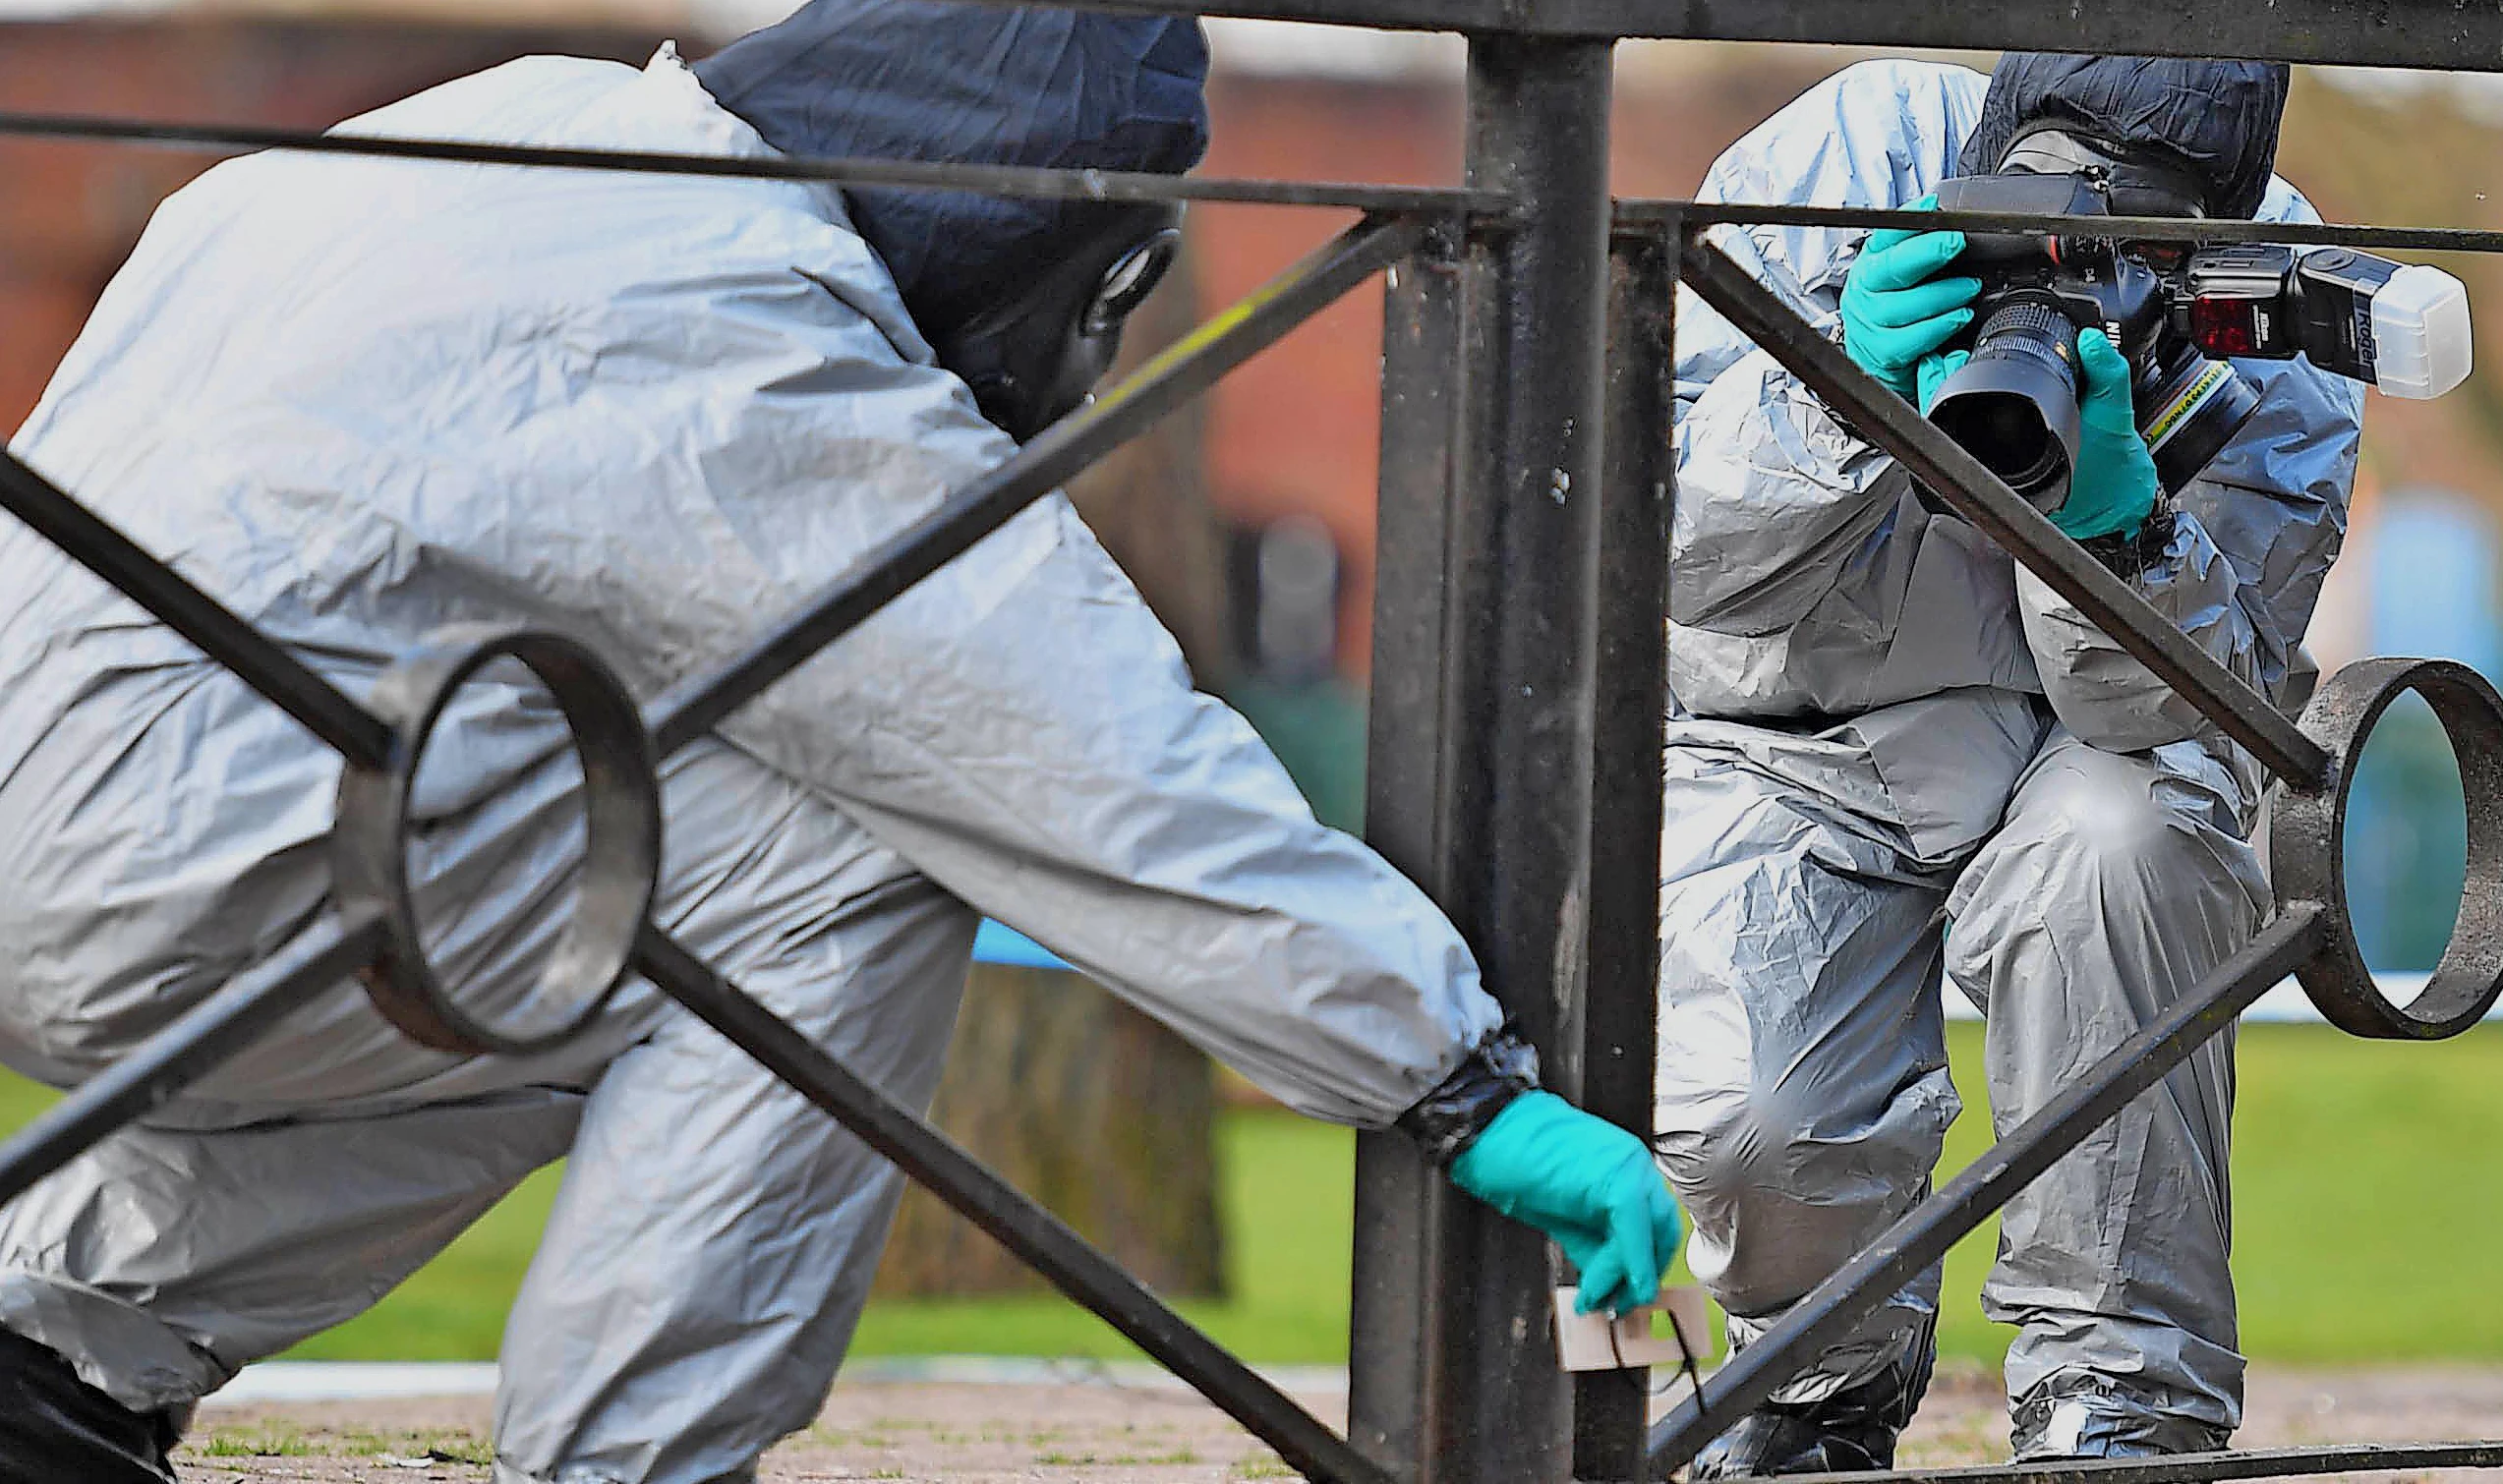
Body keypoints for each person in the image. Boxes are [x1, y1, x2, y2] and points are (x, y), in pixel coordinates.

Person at [0, 4, 1680, 1479]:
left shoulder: (520, 125)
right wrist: (1455, 1079)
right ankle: (635, 1456)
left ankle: (47, 1359)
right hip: (185, 883)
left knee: (599, 929)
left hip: (124, 822)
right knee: (846, 840)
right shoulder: (759, 340)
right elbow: (1079, 759)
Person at [1655, 53, 2363, 1475]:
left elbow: (2195, 704)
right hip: (1789, 729)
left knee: (2128, 848)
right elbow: (1665, 554)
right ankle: (1821, 1371)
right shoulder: (1847, 154)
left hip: (2080, 744)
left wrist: (2120, 538)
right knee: (1751, 1132)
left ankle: (2122, 1400)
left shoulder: (2275, 297)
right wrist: (1831, 391)